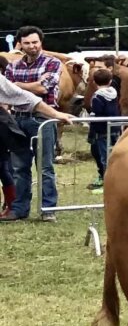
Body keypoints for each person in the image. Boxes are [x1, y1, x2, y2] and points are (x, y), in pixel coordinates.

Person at [2, 26, 65, 221]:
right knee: (19, 167)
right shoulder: (13, 66)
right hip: (17, 119)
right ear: (20, 44)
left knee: (45, 166)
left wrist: (18, 87)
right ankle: (19, 209)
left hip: (43, 119)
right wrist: (31, 86)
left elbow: (43, 89)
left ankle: (48, 210)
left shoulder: (53, 63)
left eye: (35, 42)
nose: (32, 47)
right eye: (27, 43)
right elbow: (11, 92)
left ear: (41, 43)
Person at [85, 66, 120, 190]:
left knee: (105, 158)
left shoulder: (97, 97)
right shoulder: (114, 93)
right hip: (115, 128)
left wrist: (92, 123)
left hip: (102, 131)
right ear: (110, 81)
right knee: (116, 156)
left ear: (94, 82)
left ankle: (108, 185)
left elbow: (97, 113)